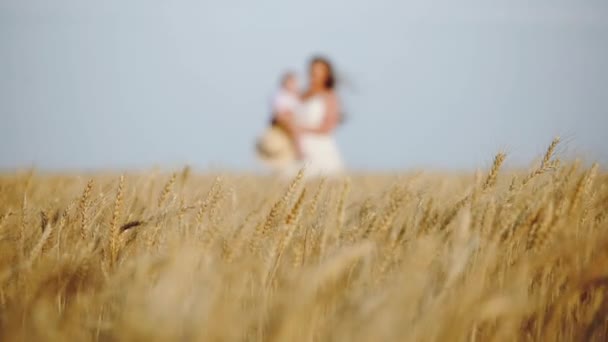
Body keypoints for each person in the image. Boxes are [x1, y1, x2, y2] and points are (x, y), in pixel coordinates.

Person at [275, 56, 344, 177]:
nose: (315, 73)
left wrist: (300, 129)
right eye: (312, 70)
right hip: (295, 146)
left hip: (319, 149)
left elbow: (328, 127)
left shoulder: (330, 96)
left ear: (327, 74)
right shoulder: (300, 94)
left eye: (319, 70)